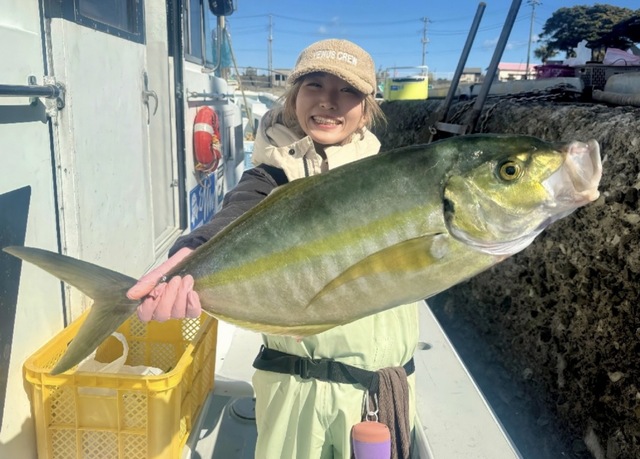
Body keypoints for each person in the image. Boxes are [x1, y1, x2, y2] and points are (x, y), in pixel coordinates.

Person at [127, 39, 419, 459]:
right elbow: (237, 213)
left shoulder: (386, 179)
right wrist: (189, 255)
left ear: (366, 109)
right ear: (293, 97)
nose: (329, 100)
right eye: (314, 85)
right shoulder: (271, 176)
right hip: (297, 393)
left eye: (347, 90)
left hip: (384, 392)